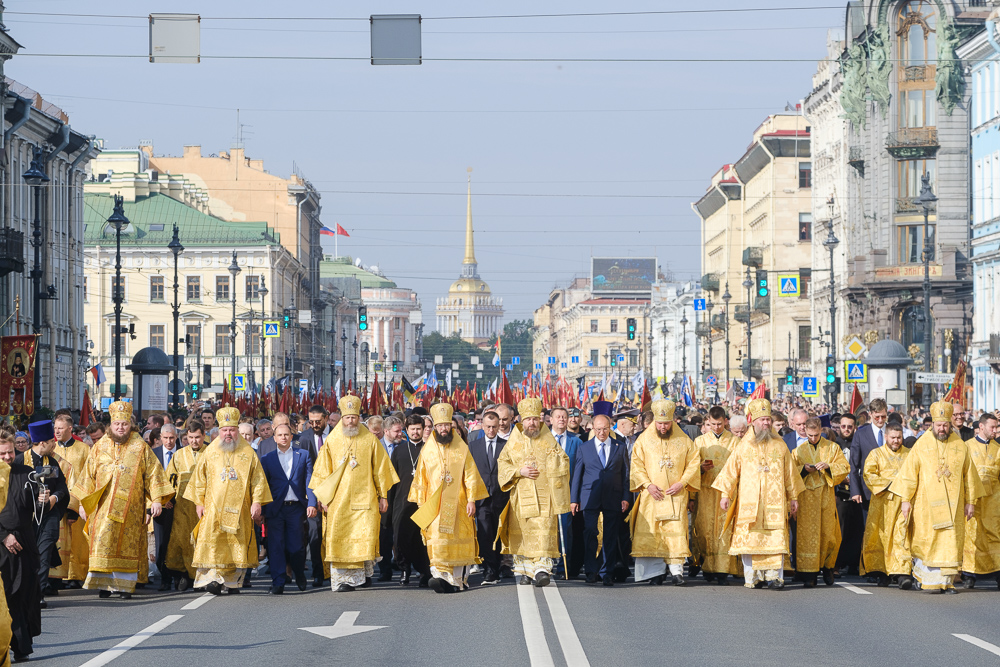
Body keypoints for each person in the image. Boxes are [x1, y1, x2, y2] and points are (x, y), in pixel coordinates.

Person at [72, 403, 172, 599]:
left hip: (131, 509)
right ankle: (104, 584)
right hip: (103, 508)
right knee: (103, 543)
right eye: (117, 424)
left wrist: (157, 500)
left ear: (130, 425)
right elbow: (87, 477)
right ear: (111, 425)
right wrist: (84, 504)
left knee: (128, 545)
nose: (120, 428)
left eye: (124, 424)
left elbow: (154, 475)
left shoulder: (140, 446)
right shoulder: (100, 446)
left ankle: (124, 586)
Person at [891, 401, 984, 593]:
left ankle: (947, 582)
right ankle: (926, 580)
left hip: (954, 505)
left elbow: (970, 476)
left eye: (945, 425)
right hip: (927, 506)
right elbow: (909, 473)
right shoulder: (921, 444)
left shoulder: (960, 445)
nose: (942, 429)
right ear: (932, 424)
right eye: (938, 425)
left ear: (950, 424)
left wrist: (971, 502)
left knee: (951, 542)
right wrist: (906, 500)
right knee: (929, 541)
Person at [713, 399, 803, 590]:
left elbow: (790, 474)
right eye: (762, 420)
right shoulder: (744, 445)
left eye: (768, 419)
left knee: (774, 540)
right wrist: (725, 494)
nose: (766, 423)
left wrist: (793, 497)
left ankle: (775, 577)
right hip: (750, 503)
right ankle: (753, 576)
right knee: (751, 540)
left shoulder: (780, 445)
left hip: (775, 503)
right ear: (753, 421)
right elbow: (730, 471)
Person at [309, 396, 397, 593]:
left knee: (364, 538)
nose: (351, 421)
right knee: (341, 538)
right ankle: (343, 580)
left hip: (366, 500)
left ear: (359, 417)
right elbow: (323, 471)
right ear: (342, 417)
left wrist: (383, 496)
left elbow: (381, 469)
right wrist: (323, 498)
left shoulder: (368, 439)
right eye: (347, 417)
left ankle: (363, 575)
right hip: (338, 501)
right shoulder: (333, 439)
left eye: (354, 417)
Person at [186, 407, 272, 595]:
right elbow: (200, 479)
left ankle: (232, 582)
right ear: (219, 430)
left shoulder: (248, 452)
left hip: (240, 509)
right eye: (225, 430)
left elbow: (257, 480)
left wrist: (257, 502)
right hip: (212, 508)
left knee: (235, 545)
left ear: (236, 430)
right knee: (215, 543)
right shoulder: (210, 452)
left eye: (232, 430)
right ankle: (215, 579)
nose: (228, 434)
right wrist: (199, 503)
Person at [408, 403, 487, 593]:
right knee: (437, 539)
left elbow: (471, 475)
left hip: (459, 504)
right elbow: (421, 478)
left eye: (447, 425)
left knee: (458, 539)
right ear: (434, 427)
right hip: (435, 505)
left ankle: (457, 580)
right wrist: (421, 504)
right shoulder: (427, 450)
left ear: (451, 427)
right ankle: (440, 576)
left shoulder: (462, 448)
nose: (444, 429)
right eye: (440, 425)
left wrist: (471, 500)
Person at [496, 397, 570, 588]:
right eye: (528, 419)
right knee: (524, 534)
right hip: (521, 497)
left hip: (546, 497)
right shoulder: (514, 440)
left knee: (543, 532)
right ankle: (526, 571)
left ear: (540, 420)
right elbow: (503, 463)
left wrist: (555, 462)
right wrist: (519, 471)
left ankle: (542, 570)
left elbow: (564, 461)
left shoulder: (548, 439)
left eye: (535, 419)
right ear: (521, 420)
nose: (532, 423)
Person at [629, 399, 699, 586]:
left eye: (666, 423)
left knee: (675, 532)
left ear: (673, 421)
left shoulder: (684, 440)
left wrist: (682, 483)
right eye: (659, 423)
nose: (662, 427)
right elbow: (636, 465)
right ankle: (654, 573)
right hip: (652, 496)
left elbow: (693, 464)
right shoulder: (643, 440)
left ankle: (677, 572)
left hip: (676, 496)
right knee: (653, 533)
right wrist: (647, 485)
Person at [570, 413, 630, 586]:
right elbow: (577, 475)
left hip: (613, 497)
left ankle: (607, 572)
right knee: (590, 533)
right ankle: (591, 571)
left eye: (605, 429)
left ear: (610, 428)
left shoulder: (620, 446)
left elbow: (626, 474)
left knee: (610, 536)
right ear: (592, 429)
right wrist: (574, 499)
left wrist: (626, 497)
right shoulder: (585, 447)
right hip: (589, 497)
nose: (602, 433)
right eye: (598, 429)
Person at [16, 421, 70, 607]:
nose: (54, 444)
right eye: (51, 441)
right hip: (25, 518)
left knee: (43, 554)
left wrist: (54, 497)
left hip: (48, 517)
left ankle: (38, 594)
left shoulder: (51, 462)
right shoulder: (20, 461)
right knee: (27, 556)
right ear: (42, 443)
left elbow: (62, 487)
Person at [792, 417, 849, 587]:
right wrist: (803, 469)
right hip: (807, 498)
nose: (813, 438)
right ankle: (809, 574)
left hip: (825, 496)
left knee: (828, 533)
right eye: (809, 435)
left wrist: (829, 466)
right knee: (808, 536)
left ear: (820, 431)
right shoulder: (798, 450)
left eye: (816, 435)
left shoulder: (832, 447)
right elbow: (790, 472)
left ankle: (828, 567)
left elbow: (844, 467)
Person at [260, 423, 315, 594]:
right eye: (280, 435)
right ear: (274, 438)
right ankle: (278, 582)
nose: (283, 437)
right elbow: (263, 485)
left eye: (287, 434)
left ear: (292, 437)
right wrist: (261, 510)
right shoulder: (267, 459)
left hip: (295, 508)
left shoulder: (303, 455)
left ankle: (299, 573)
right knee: (276, 546)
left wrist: (312, 503)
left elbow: (309, 481)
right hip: (275, 508)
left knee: (296, 546)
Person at [0, 438, 41, 661]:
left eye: (10, 452)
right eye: (2, 454)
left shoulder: (25, 472)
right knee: (7, 596)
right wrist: (4, 536)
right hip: (2, 543)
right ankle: (14, 645)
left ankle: (22, 643)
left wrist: (43, 498)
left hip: (25, 540)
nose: (7, 457)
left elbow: (33, 504)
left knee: (25, 593)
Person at [860, 422, 912, 589]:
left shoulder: (910, 454)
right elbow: (868, 474)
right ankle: (882, 573)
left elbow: (916, 475)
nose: (896, 441)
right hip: (882, 503)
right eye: (893, 438)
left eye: (899, 437)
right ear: (886, 437)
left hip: (904, 503)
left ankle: (902, 574)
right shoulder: (876, 454)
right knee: (881, 538)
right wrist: (891, 484)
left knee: (901, 535)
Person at [691, 406, 740, 585]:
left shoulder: (736, 442)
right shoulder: (699, 442)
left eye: (719, 424)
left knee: (725, 531)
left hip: (727, 493)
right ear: (708, 422)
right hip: (706, 492)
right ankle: (707, 567)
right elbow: (690, 469)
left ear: (725, 421)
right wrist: (700, 469)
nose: (716, 427)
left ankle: (723, 570)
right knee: (705, 530)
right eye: (712, 424)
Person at [387, 415, 430, 586]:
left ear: (423, 429)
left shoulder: (429, 449)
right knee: (401, 538)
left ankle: (424, 572)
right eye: (412, 429)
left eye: (418, 428)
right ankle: (404, 570)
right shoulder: (399, 451)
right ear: (407, 430)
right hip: (402, 501)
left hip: (423, 502)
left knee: (421, 540)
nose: (415, 432)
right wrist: (389, 506)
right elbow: (392, 480)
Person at [467, 410, 509, 585]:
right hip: (481, 499)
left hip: (501, 497)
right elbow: (469, 472)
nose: (491, 430)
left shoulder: (506, 445)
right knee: (485, 534)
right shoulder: (473, 446)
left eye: (494, 427)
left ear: (499, 426)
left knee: (498, 534)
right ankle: (489, 571)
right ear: (482, 426)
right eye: (488, 427)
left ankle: (498, 566)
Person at [164, 420, 207, 591]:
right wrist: (166, 498)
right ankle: (183, 575)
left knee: (201, 541)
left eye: (197, 437)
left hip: (203, 506)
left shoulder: (211, 453)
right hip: (181, 506)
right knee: (181, 540)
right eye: (190, 437)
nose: (194, 441)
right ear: (186, 437)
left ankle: (200, 575)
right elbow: (169, 478)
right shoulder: (178, 455)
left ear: (204, 435)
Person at [960, 413, 1000, 589]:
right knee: (972, 535)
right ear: (981, 427)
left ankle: (997, 572)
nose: (995, 430)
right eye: (992, 427)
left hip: (994, 500)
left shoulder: (998, 448)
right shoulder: (967, 447)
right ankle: (969, 575)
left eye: (997, 427)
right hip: (973, 499)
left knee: (994, 535)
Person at [51, 414, 89, 590]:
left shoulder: (83, 449)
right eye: (55, 428)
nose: (57, 431)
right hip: (56, 501)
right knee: (57, 540)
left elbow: (87, 476)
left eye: (60, 428)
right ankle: (56, 575)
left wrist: (78, 503)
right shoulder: (52, 449)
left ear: (69, 429)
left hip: (77, 500)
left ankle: (76, 574)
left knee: (77, 540)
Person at [548, 406, 582, 579]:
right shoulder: (543, 440)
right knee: (546, 530)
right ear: (551, 420)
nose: (561, 419)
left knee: (565, 531)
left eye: (564, 417)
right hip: (546, 494)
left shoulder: (576, 441)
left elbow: (580, 470)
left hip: (567, 493)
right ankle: (545, 565)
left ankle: (563, 567)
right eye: (558, 416)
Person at [151, 424, 182, 591]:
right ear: (160, 438)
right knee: (162, 542)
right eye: (165, 438)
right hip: (161, 507)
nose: (169, 441)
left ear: (176, 437)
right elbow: (151, 480)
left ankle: (179, 576)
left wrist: (173, 500)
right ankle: (164, 577)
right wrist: (163, 500)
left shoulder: (183, 453)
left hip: (181, 506)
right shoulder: (154, 455)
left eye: (172, 438)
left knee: (178, 541)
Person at [377, 415, 405, 581]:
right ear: (386, 431)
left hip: (401, 496)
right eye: (396, 431)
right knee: (384, 535)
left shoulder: (405, 446)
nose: (400, 434)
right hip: (383, 496)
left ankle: (403, 568)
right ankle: (384, 569)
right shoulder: (376, 447)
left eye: (401, 430)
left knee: (401, 534)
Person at [303, 405, 329, 586]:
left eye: (318, 421)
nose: (314, 425)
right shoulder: (303, 438)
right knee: (315, 533)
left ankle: (335, 570)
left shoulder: (337, 436)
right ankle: (318, 572)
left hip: (334, 493)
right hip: (312, 494)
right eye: (311, 421)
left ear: (326, 418)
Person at [850, 399, 889, 511]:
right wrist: (855, 491)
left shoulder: (893, 432)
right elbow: (854, 464)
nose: (880, 420)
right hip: (868, 490)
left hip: (890, 489)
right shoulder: (861, 434)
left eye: (883, 416)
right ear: (870, 414)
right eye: (877, 417)